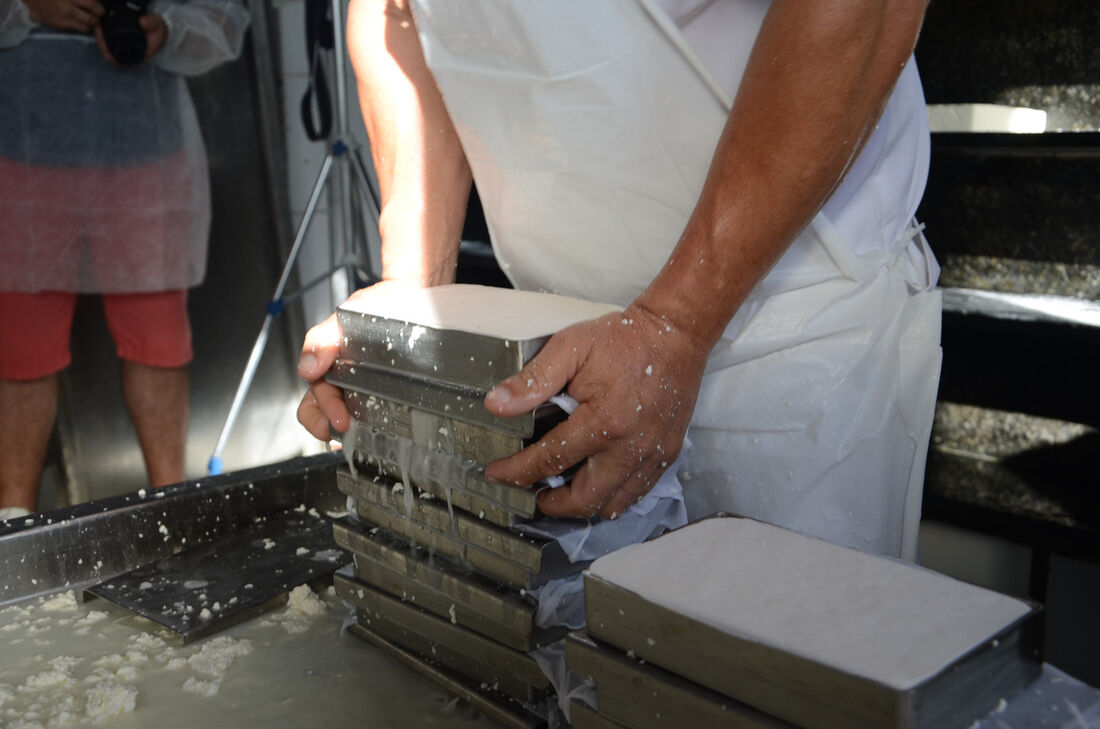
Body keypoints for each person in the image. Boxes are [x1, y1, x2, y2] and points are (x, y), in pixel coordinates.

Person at [298, 0, 943, 560]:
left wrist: (676, 326)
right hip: (565, 350)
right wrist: (415, 308)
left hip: (788, 338)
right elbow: (400, 21)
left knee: (774, 674)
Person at [0, 0, 249, 519]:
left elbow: (224, 16)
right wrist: (28, 8)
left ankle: (171, 508)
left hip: (145, 148)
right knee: (21, 345)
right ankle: (13, 522)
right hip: (21, 148)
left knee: (157, 338)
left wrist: (167, 29)